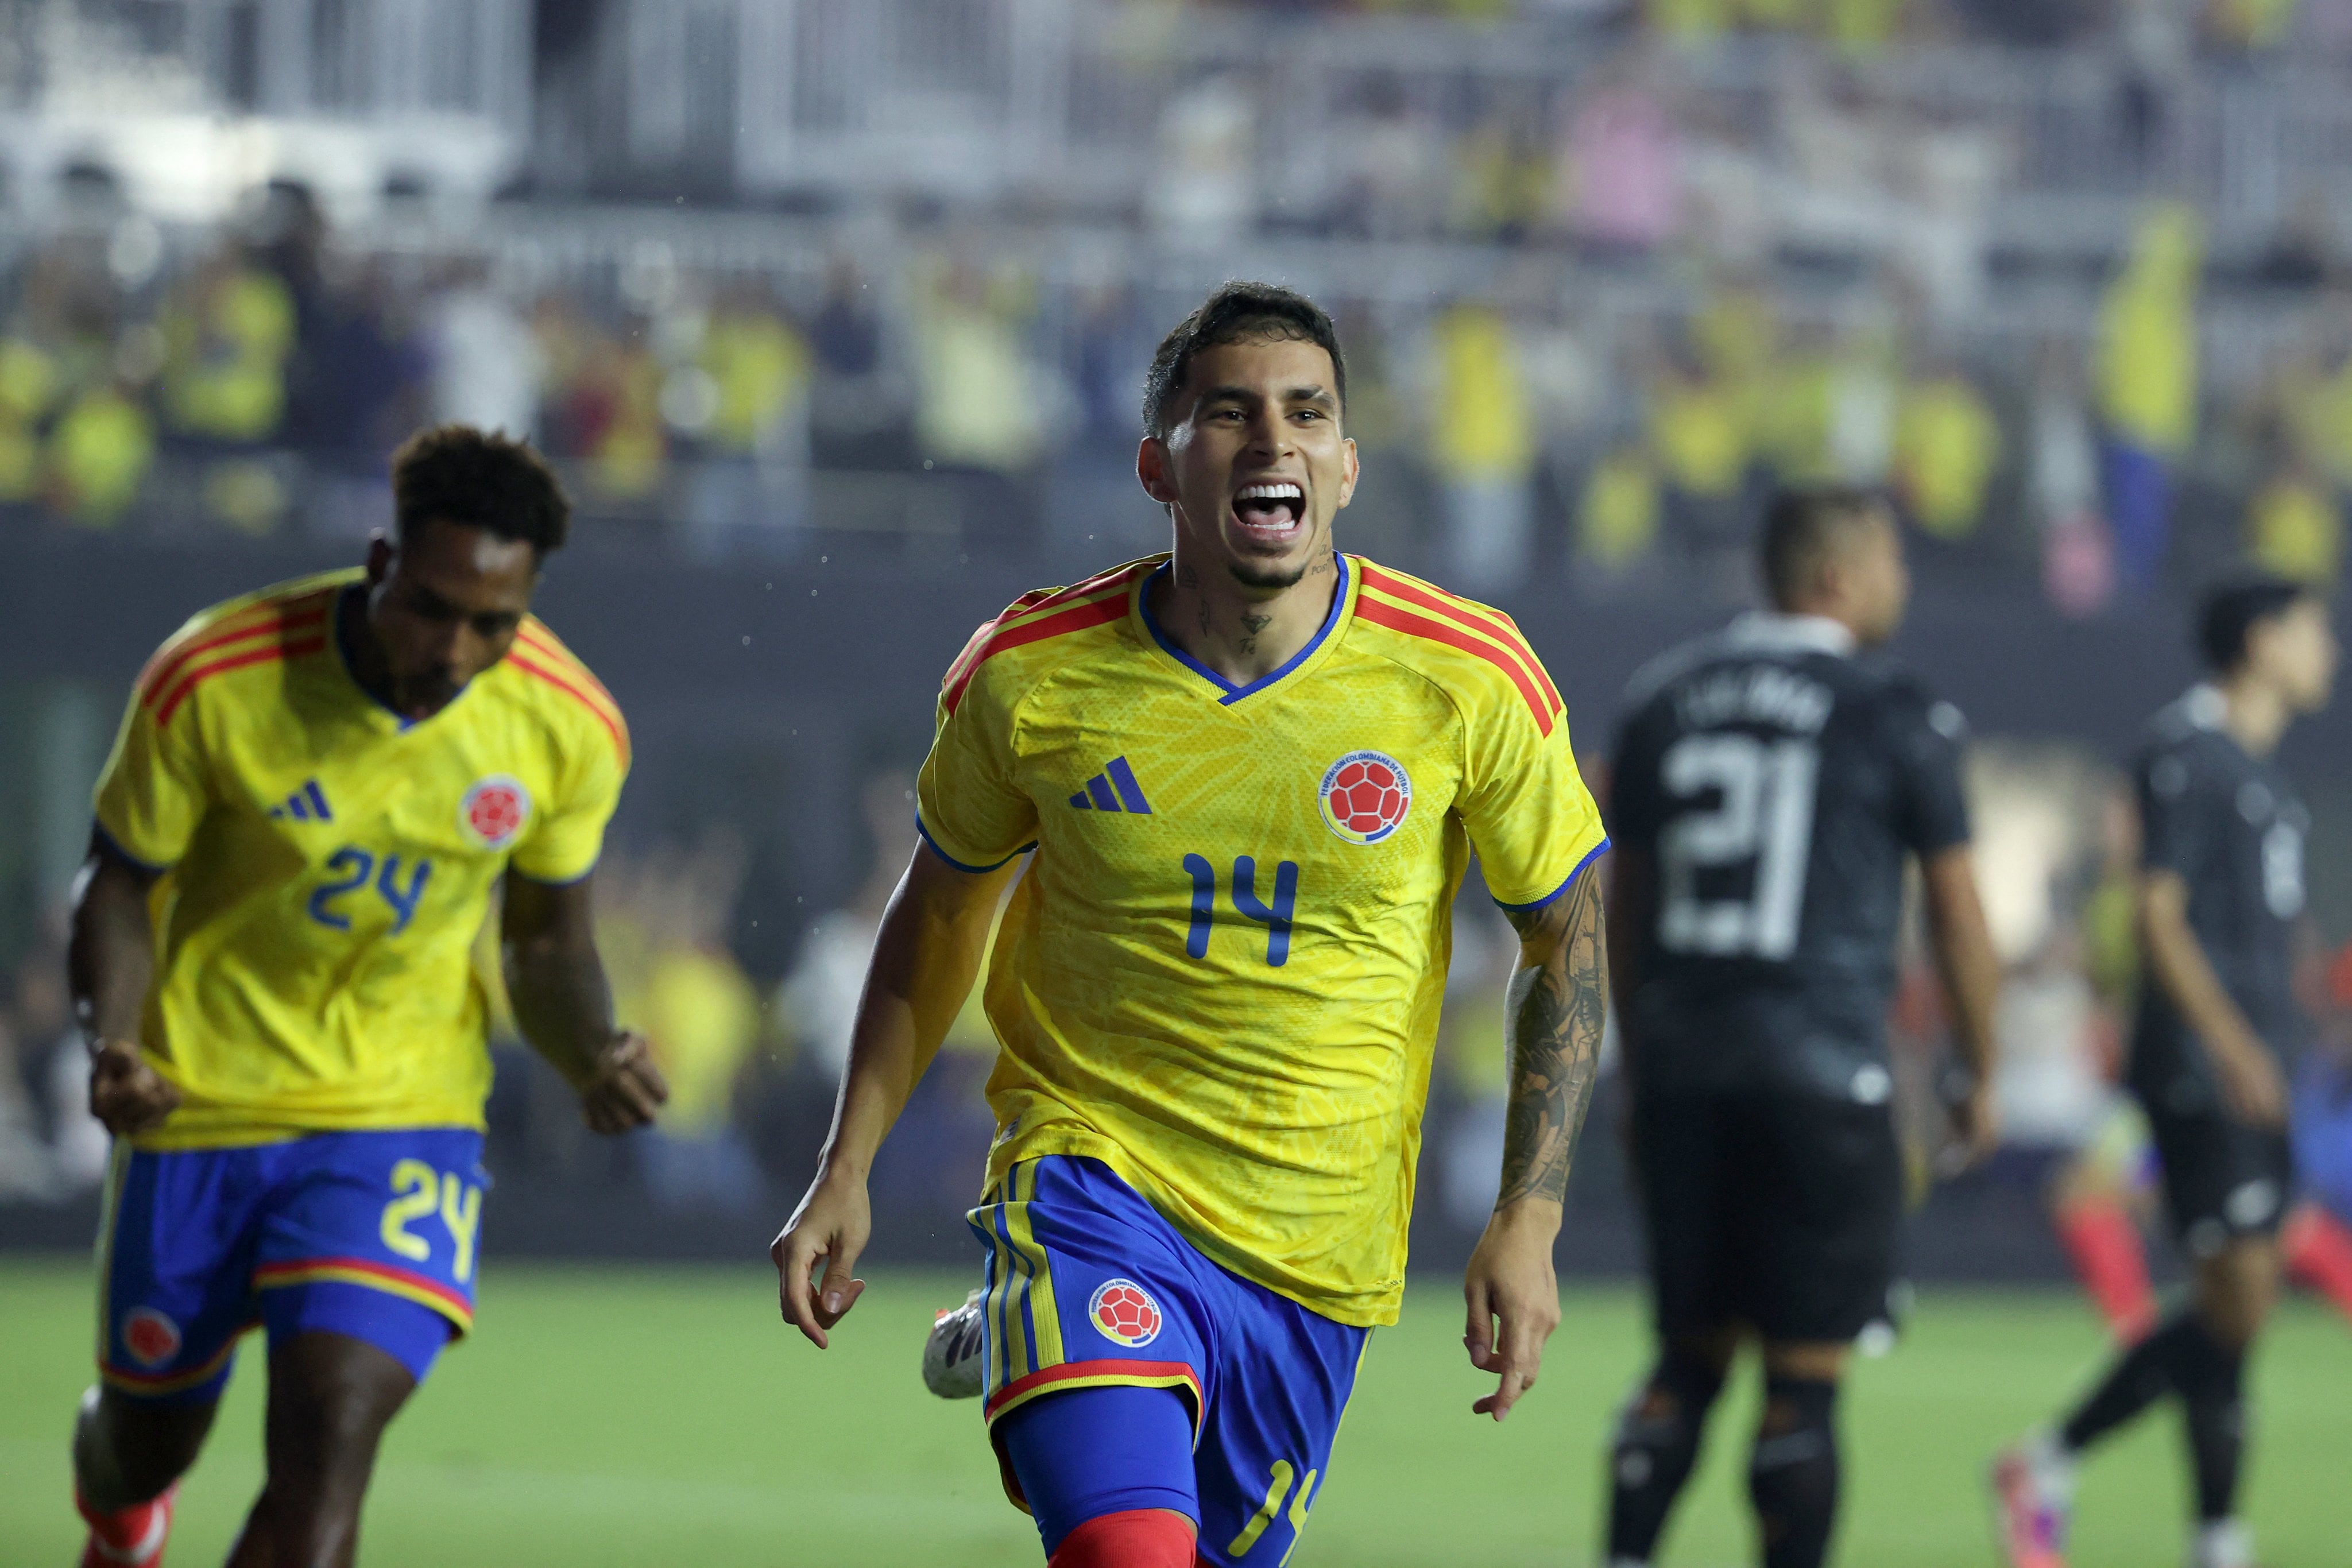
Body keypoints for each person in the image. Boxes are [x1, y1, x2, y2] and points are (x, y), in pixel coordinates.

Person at [769, 282, 1611, 1568]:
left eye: (1305, 413)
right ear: (1160, 463)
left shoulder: (1463, 677)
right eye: (1229, 412)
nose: (1272, 440)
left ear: (1344, 468)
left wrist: (1529, 1218)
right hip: (1090, 1178)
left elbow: (1569, 943)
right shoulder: (1031, 674)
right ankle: (1040, 1308)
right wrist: (845, 1165)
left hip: (1314, 1253)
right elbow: (938, 913)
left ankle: (1019, 1332)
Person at [68, 425, 667, 1568]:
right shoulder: (215, 675)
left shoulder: (565, 725)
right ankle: (123, 1515)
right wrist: (115, 1040)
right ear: (380, 559)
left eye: (495, 622)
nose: (457, 648)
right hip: (198, 1102)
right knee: (140, 1443)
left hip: (399, 1115)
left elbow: (544, 948)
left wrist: (591, 1048)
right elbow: (119, 885)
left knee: (331, 1430)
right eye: (433, 607)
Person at [1603, 486, 2003, 1568]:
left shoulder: (1660, 696)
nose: (1902, 584)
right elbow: (1960, 914)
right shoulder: (1893, 704)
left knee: (1685, 1361)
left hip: (1684, 1068)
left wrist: (1641, 1073)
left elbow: (1621, 908)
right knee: (1803, 1380)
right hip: (1825, 1077)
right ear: (1835, 576)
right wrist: (1981, 1069)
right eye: (1889, 563)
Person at [1994, 574, 2339, 1568]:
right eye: (2315, 631)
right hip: (2203, 1065)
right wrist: (2233, 1045)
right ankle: (2050, 1459)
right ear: (2261, 641)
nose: (2331, 651)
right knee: (2237, 1298)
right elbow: (2156, 916)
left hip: (2261, 1061)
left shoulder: (2262, 774)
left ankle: (2216, 1536)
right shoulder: (2186, 754)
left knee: (2244, 1306)